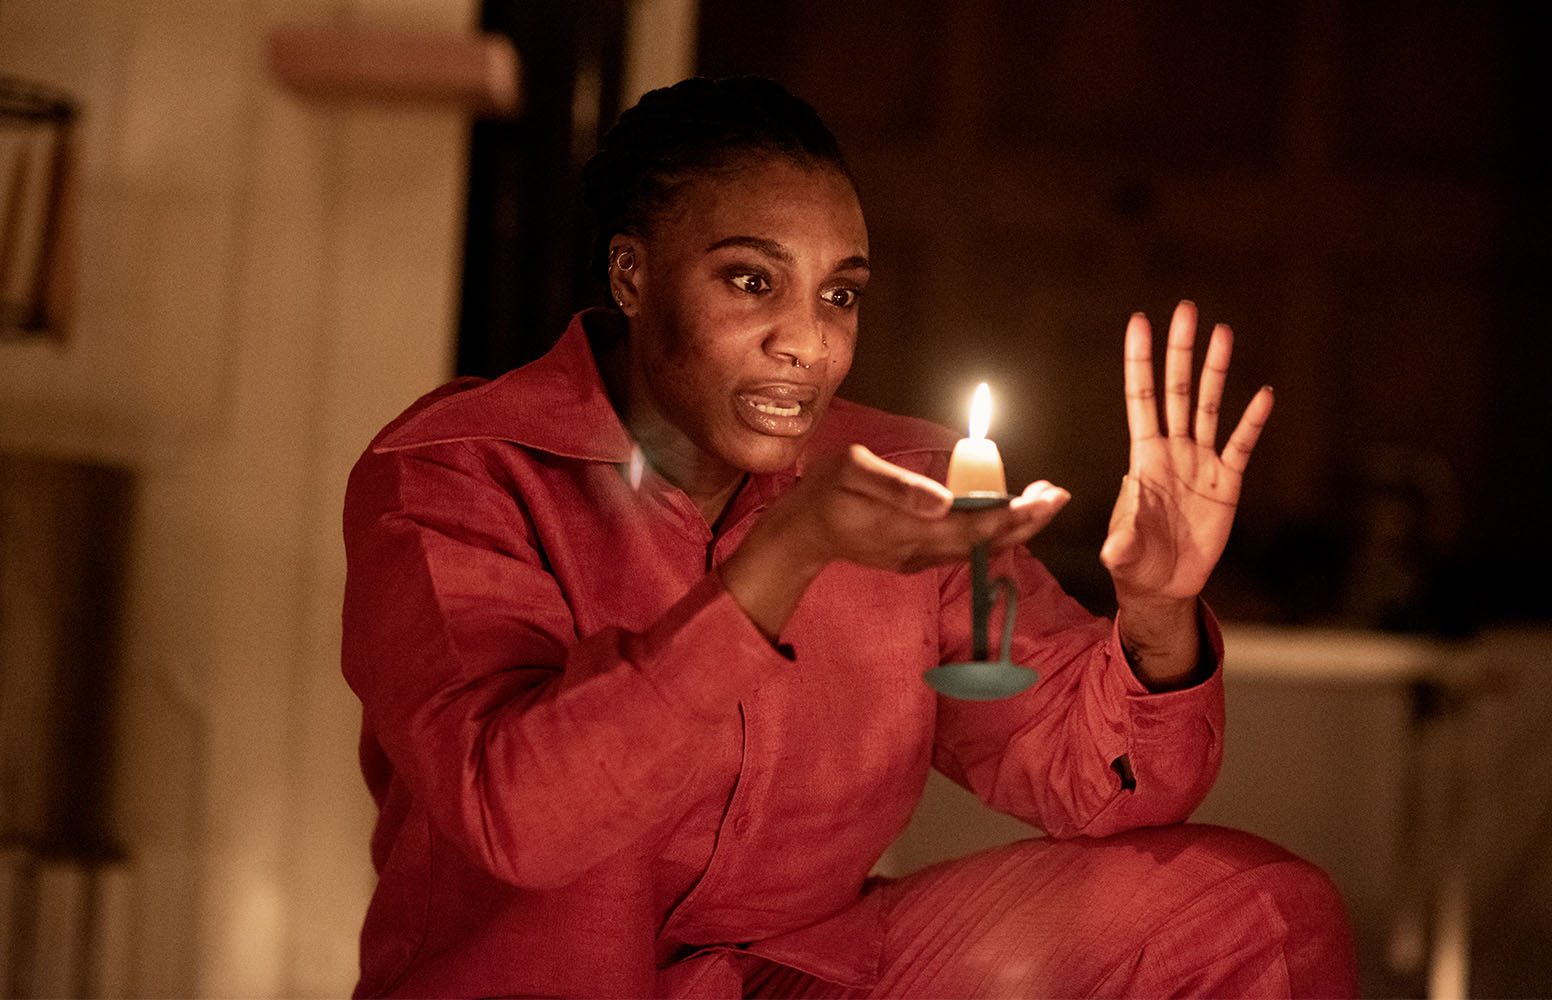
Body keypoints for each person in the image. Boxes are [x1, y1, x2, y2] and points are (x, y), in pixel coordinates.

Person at [340, 76, 1356, 998]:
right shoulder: (451, 473)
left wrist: (1155, 608)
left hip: (804, 973)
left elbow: (1087, 778)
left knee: (1258, 913)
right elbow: (519, 813)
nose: (809, 341)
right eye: (751, 281)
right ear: (631, 273)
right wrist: (783, 558)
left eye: (840, 294)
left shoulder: (900, 485)